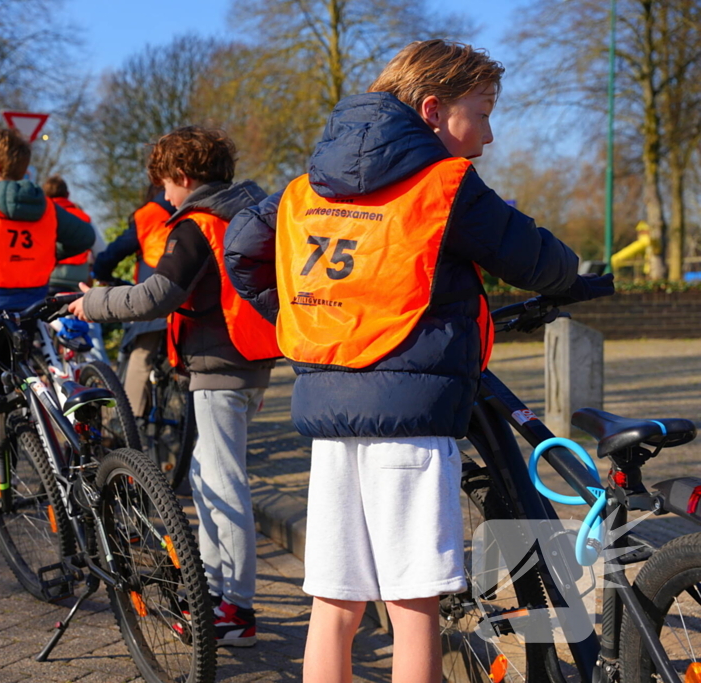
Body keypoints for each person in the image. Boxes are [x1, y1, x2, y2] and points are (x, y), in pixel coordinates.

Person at [224, 39, 615, 682]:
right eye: (482, 112)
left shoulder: (303, 189)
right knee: (413, 601)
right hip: (410, 420)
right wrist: (573, 275)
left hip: (329, 416)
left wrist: (319, 320)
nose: (488, 134)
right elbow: (533, 258)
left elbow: (242, 249)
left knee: (335, 599)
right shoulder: (443, 183)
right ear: (433, 109)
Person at [69, 126, 279, 647]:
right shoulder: (248, 209)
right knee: (209, 476)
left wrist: (95, 302)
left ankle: (236, 609)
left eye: (165, 184)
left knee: (223, 484)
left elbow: (155, 296)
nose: (163, 196)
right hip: (253, 358)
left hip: (217, 365)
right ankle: (212, 590)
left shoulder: (196, 224)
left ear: (183, 177)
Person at [0, 128, 95, 508]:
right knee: (13, 387)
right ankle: (32, 451)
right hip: (29, 312)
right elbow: (84, 237)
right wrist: (45, 254)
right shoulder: (45, 205)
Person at [92, 186, 175, 420]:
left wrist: (101, 271)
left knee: (141, 355)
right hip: (189, 300)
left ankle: (129, 420)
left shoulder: (149, 214)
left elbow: (117, 250)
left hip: (156, 298)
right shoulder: (193, 210)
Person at [42, 175, 108, 361]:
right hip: (76, 283)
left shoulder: (42, 214)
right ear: (68, 194)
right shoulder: (82, 217)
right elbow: (101, 250)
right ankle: (97, 368)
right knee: (91, 329)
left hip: (48, 281)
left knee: (38, 325)